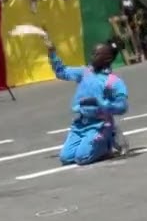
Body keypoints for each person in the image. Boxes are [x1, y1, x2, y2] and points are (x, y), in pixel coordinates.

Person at [46, 36, 130, 165]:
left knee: (82, 158)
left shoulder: (112, 81)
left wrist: (104, 105)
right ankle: (98, 142)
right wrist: (52, 52)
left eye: (96, 54)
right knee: (66, 158)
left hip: (99, 125)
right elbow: (61, 72)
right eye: (92, 53)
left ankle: (108, 140)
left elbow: (122, 106)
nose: (92, 57)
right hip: (81, 124)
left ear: (106, 58)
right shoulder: (84, 72)